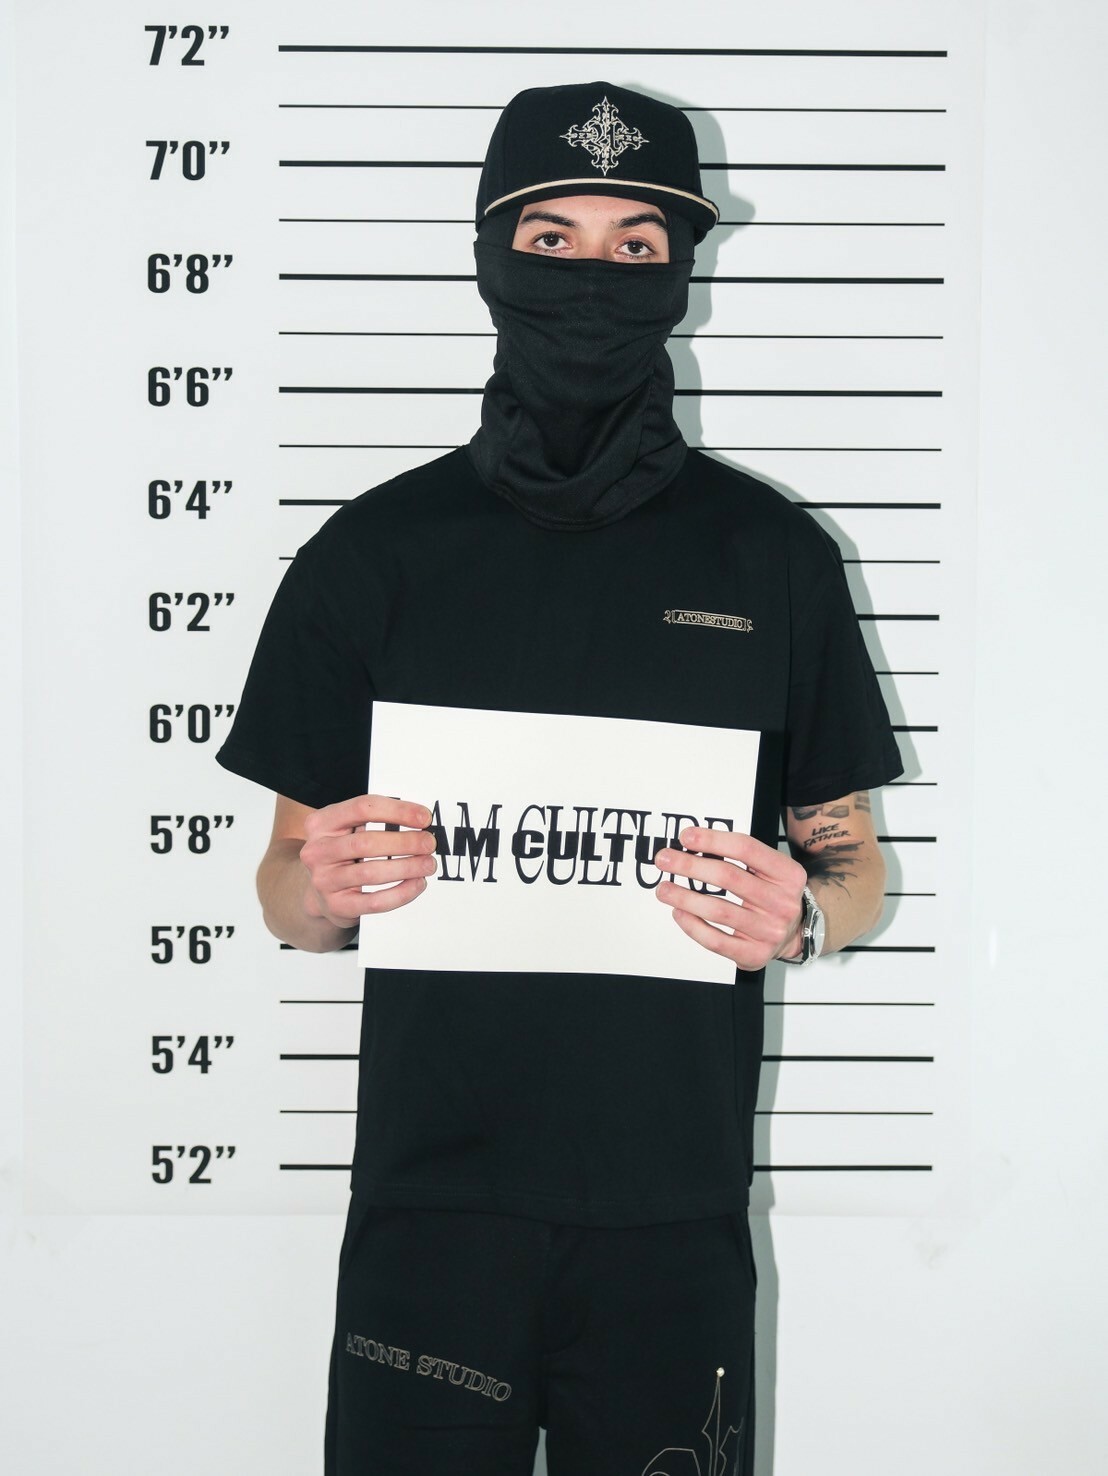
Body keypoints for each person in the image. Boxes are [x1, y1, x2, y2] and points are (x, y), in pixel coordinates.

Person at [216, 81, 903, 1476]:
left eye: (637, 246)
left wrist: (806, 918)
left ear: (684, 271)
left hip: (674, 1213)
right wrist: (325, 892)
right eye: (554, 239)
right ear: (491, 257)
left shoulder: (774, 556)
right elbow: (286, 885)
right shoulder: (373, 553)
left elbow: (855, 867)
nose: (595, 277)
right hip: (431, 1210)